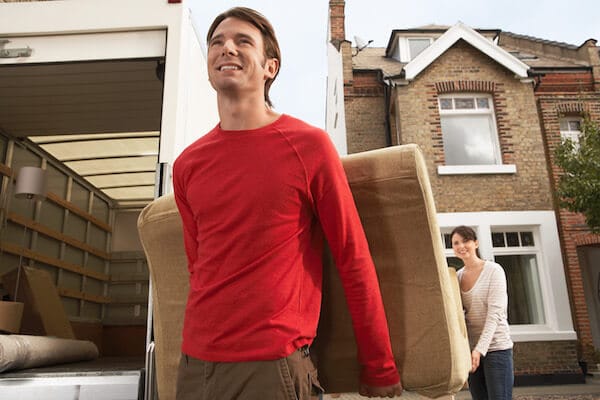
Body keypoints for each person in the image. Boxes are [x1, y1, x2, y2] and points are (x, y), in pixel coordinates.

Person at [172, 6, 403, 400]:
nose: (226, 47)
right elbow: (198, 266)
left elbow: (353, 258)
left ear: (270, 67)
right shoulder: (187, 164)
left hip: (271, 368)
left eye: (242, 41)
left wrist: (379, 365)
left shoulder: (308, 146)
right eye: (217, 42)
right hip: (194, 366)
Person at [450, 226, 514, 400]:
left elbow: (495, 315)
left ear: (476, 243)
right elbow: (457, 315)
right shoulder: (457, 277)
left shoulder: (494, 271)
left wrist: (479, 350)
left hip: (496, 348)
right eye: (456, 243)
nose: (461, 246)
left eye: (465, 241)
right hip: (471, 352)